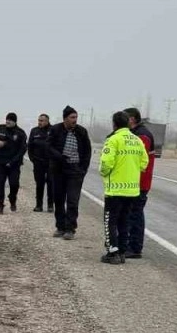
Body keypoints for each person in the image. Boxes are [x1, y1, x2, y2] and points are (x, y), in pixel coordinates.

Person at [99, 111, 148, 264]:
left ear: (114, 124)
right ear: (128, 123)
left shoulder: (113, 140)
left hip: (115, 189)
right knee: (124, 221)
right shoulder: (137, 140)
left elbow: (106, 163)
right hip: (132, 189)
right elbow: (144, 163)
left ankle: (112, 252)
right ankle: (121, 251)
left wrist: (104, 172)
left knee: (110, 221)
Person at [46, 106, 92, 239]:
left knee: (72, 200)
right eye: (72, 117)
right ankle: (60, 227)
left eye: (76, 117)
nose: (75, 120)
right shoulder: (55, 130)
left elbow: (87, 151)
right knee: (59, 199)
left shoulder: (81, 132)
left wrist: (83, 169)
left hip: (75, 171)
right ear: (65, 119)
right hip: (58, 170)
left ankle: (70, 229)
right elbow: (48, 147)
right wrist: (59, 157)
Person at [124, 107, 156, 258]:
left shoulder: (142, 136)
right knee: (132, 213)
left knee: (135, 214)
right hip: (135, 181)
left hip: (140, 182)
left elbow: (137, 160)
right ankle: (131, 244)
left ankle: (135, 247)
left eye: (125, 118)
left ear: (131, 119)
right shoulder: (136, 133)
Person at [0, 112, 27, 214]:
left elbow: (22, 150)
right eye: (7, 119)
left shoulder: (20, 133)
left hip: (14, 164)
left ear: (15, 121)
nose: (8, 121)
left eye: (10, 120)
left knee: (14, 184)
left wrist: (13, 161)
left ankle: (12, 199)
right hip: (1, 162)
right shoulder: (1, 129)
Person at [27, 113, 54, 212]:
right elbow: (30, 146)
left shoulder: (53, 130)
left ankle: (50, 205)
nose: (40, 122)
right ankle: (39, 205)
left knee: (51, 184)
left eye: (42, 121)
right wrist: (32, 158)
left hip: (51, 162)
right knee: (39, 184)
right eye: (39, 120)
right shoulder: (34, 131)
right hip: (38, 162)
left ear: (47, 121)